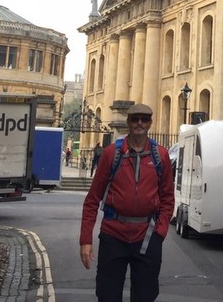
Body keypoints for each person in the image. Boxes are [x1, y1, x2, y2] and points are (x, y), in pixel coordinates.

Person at [79, 104, 174, 302]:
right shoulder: (111, 154)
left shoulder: (161, 156)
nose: (140, 123)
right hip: (114, 235)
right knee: (107, 295)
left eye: (145, 119)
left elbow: (167, 198)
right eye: (135, 119)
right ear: (128, 122)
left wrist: (161, 231)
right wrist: (85, 240)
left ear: (150, 123)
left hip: (147, 236)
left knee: (145, 296)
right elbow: (92, 201)